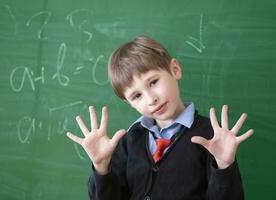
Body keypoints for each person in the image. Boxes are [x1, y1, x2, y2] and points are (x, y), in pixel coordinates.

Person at [66, 36, 254, 200]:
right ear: (129, 103)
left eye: (153, 82)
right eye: (137, 96)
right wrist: (101, 168)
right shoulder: (130, 141)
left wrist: (224, 167)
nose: (151, 99)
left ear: (175, 69)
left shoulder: (211, 136)